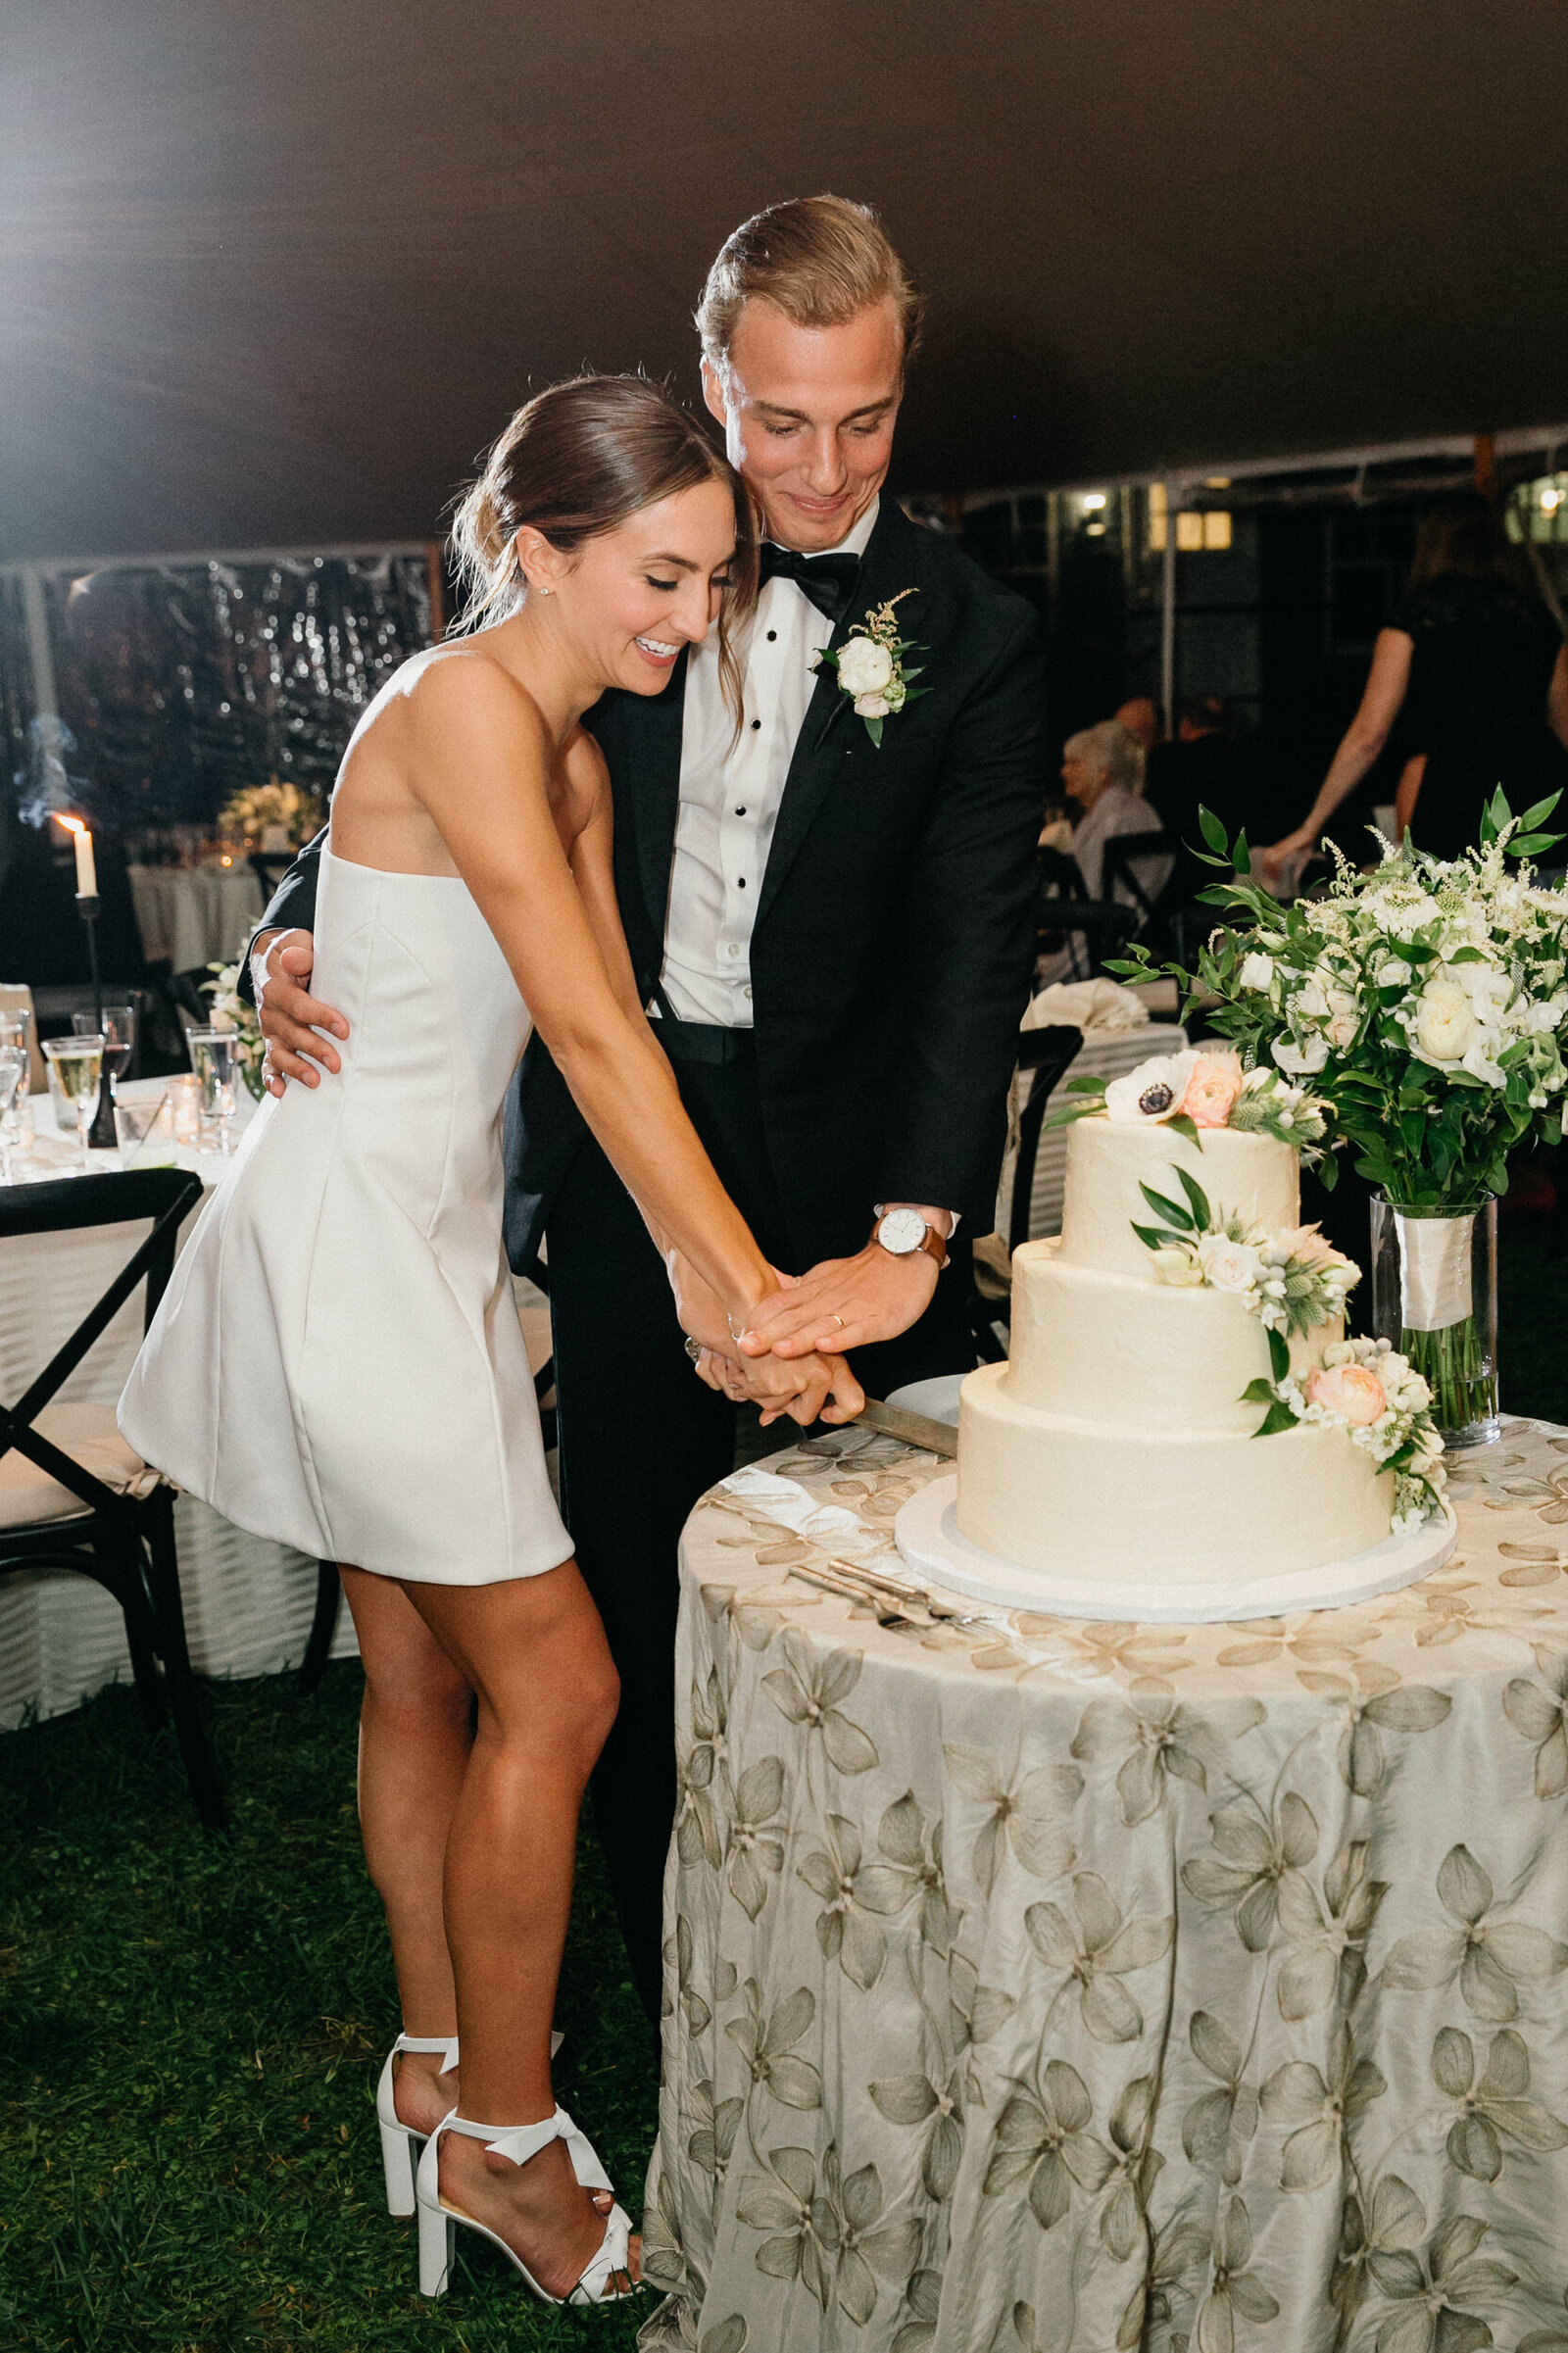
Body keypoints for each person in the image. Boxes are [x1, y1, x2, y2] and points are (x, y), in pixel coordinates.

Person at [245, 195, 1046, 2022]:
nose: (823, 472)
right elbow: (450, 774)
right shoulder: (618, 554)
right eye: (780, 421)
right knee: (629, 1601)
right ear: (714, 382)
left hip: (842, 1170)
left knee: (887, 1602)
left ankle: (885, 1981)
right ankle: (686, 1997)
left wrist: (908, 1235)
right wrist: (283, 944)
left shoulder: (976, 632)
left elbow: (973, 955)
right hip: (613, 1164)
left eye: (866, 422)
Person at [120, 375, 861, 2308]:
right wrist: (750, 1299)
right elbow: (598, 1042)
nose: (685, 621)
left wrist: (710, 1285)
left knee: (426, 1689)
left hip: (425, 1255)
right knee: (568, 1689)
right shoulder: (458, 704)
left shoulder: (573, 751)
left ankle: (440, 2067)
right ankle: (511, 2153)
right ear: (532, 546)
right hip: (356, 1255)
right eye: (657, 574)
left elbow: (594, 1043)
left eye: (712, 583)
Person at [1260, 492, 1568, 877]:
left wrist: (1312, 824)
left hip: (1455, 796)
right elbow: (1564, 726)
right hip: (1538, 795)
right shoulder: (1537, 620)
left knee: (1459, 926)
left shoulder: (1416, 618)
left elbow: (1369, 735)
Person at [1059, 718, 1169, 899]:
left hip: (1107, 920)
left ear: (1103, 771)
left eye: (1075, 763)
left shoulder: (1115, 817)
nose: (1064, 771)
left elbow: (1091, 890)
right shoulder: (1107, 812)